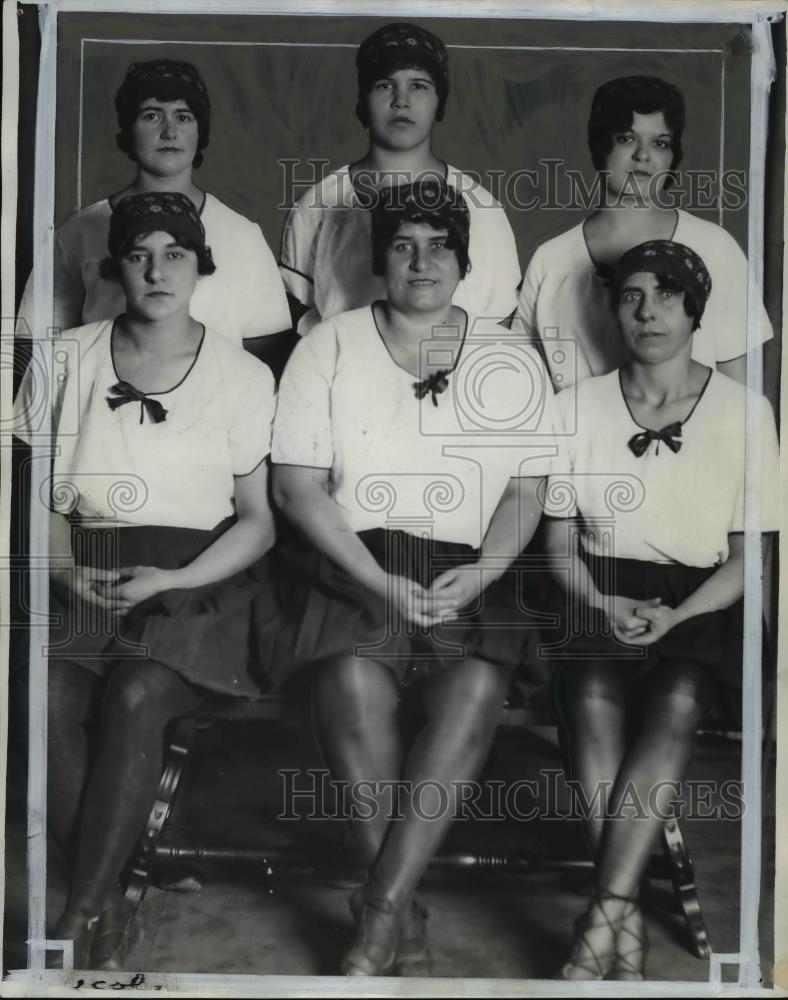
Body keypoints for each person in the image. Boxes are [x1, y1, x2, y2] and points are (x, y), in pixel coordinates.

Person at [272, 179, 557, 976]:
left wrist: (483, 574)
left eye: (439, 245)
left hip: (467, 569)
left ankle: (382, 905)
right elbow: (296, 488)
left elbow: (526, 492)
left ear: (464, 262)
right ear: (379, 260)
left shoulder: (511, 358)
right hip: (349, 560)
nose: (422, 260)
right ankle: (401, 908)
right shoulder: (329, 343)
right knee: (354, 684)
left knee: (472, 690)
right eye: (403, 244)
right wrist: (377, 578)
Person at [14, 192, 282, 970]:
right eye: (138, 254)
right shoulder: (68, 357)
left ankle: (82, 910)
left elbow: (259, 521)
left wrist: (175, 576)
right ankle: (104, 882)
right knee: (44, 698)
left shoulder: (239, 373)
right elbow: (39, 497)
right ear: (114, 268)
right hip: (85, 567)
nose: (157, 270)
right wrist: (63, 569)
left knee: (136, 694)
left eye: (175, 254)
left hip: (200, 578)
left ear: (201, 266)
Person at [542, 241, 779, 980]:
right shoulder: (575, 407)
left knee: (677, 696)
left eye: (668, 296)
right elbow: (556, 547)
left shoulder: (747, 412)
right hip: (598, 586)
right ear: (612, 310)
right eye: (632, 296)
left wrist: (675, 621)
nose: (648, 312)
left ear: (695, 310)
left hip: (702, 598)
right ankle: (625, 914)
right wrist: (598, 599)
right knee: (589, 693)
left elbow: (749, 560)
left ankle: (605, 914)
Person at [516, 76, 772, 390]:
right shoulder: (551, 260)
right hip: (582, 437)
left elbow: (741, 399)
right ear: (599, 145)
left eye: (660, 143)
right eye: (626, 138)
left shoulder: (715, 247)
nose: (643, 155)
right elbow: (521, 390)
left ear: (672, 155)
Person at [17, 58, 290, 347]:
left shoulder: (243, 235)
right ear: (128, 128)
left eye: (183, 117)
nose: (169, 131)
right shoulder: (78, 232)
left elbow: (268, 358)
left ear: (200, 130)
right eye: (152, 115)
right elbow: (34, 347)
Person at [279, 21, 521, 334]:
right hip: (347, 378)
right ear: (363, 99)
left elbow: (501, 326)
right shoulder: (318, 205)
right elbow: (296, 326)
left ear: (440, 100)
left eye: (418, 85)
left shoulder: (483, 208)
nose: (401, 100)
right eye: (384, 85)